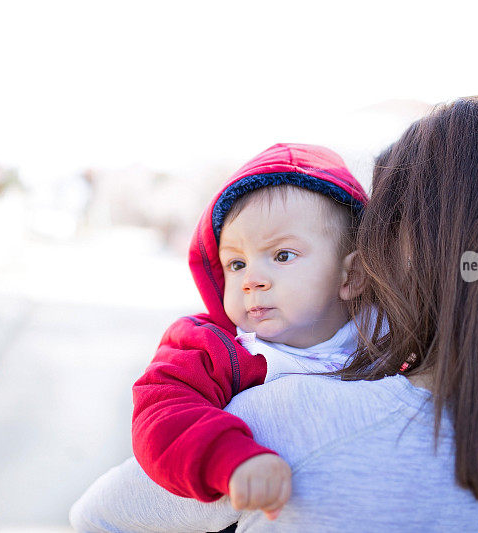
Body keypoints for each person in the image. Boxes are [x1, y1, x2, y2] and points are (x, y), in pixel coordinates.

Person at [70, 97, 478, 532]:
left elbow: (98, 520)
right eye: (235, 263)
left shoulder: (286, 427)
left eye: (385, 230)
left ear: (411, 251)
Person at [131, 143, 368, 518]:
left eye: (282, 255)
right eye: (236, 263)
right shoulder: (213, 347)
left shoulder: (388, 341)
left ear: (351, 275)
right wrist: (230, 460)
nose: (251, 280)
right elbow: (161, 413)